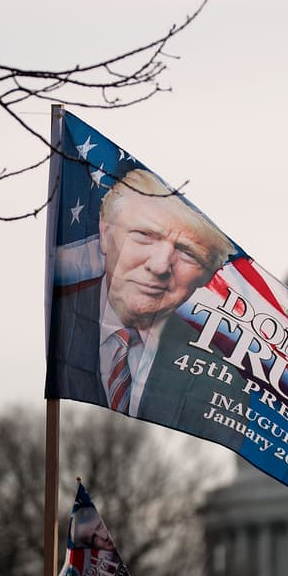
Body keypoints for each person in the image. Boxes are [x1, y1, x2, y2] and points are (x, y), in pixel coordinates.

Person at [49, 168, 240, 440]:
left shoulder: (221, 371)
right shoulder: (62, 319)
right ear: (104, 234)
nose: (160, 265)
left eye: (188, 253)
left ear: (207, 275)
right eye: (144, 236)